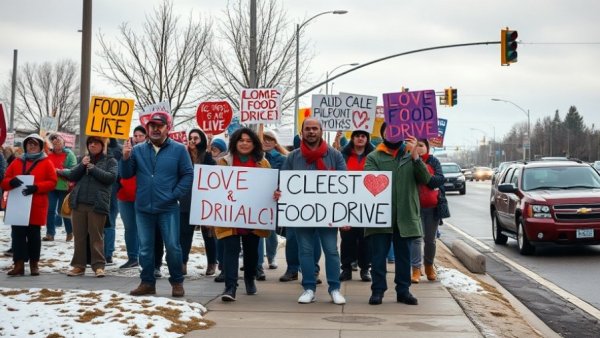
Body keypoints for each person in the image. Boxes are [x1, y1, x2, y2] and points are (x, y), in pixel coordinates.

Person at [121, 111, 193, 298]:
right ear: (147, 128)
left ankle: (177, 282)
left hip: (168, 207)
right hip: (143, 207)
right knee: (145, 247)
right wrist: (126, 158)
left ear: (167, 128)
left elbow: (188, 174)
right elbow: (126, 174)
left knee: (173, 246)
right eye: (152, 126)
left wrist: (174, 195)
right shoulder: (137, 150)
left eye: (159, 126)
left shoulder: (179, 150)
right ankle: (147, 282)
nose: (155, 129)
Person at [280, 118, 347, 305]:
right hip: (302, 213)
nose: (311, 132)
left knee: (332, 251)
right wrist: (280, 193)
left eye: (314, 128)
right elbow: (284, 182)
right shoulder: (293, 157)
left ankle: (335, 289)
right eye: (307, 129)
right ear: (302, 132)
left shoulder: (335, 155)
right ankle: (309, 288)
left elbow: (345, 186)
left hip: (328, 213)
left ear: (321, 131)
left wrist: (345, 214)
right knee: (306, 252)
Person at [364, 123, 431, 305]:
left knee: (404, 257)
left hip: (405, 215)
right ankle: (377, 290)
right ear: (383, 133)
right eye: (389, 130)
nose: (393, 133)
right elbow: (369, 181)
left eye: (396, 130)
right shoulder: (373, 156)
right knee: (378, 257)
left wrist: (415, 156)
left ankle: (403, 291)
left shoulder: (411, 155)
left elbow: (426, 179)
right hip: (380, 216)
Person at [215, 127, 274, 302]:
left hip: (252, 216)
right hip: (230, 216)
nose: (245, 143)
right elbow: (216, 188)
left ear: (254, 143)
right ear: (235, 142)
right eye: (241, 140)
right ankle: (230, 286)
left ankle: (250, 277)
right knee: (231, 250)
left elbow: (269, 187)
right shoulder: (224, 162)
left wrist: (274, 193)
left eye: (249, 141)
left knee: (251, 252)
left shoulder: (263, 163)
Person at [58, 136, 116, 278]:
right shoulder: (82, 159)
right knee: (79, 236)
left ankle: (98, 266)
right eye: (90, 143)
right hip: (79, 202)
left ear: (103, 145)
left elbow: (111, 178)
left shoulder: (110, 160)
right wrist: (82, 165)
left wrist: (94, 169)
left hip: (97, 203)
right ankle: (79, 266)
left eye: (96, 143)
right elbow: (72, 175)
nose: (92, 145)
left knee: (96, 236)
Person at [2, 134, 57, 276]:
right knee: (17, 236)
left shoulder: (46, 162)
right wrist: (10, 182)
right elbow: (5, 180)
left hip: (35, 205)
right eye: (29, 144)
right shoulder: (17, 162)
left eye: (35, 144)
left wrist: (37, 187)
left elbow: (52, 182)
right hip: (18, 206)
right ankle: (18, 265)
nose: (31, 146)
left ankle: (34, 265)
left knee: (34, 236)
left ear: (40, 146)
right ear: (25, 146)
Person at [180, 128, 217, 276]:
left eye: (196, 137)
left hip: (204, 200)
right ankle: (183, 263)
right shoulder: (183, 155)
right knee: (184, 233)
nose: (193, 140)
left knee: (208, 234)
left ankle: (212, 263)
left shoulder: (207, 156)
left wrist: (208, 147)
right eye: (191, 137)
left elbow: (212, 172)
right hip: (187, 200)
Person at [339, 130, 375, 282]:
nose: (360, 139)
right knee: (347, 237)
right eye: (357, 136)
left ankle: (365, 269)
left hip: (367, 202)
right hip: (346, 202)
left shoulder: (374, 156)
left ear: (367, 139)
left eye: (363, 136)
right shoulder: (343, 155)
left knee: (365, 239)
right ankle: (346, 269)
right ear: (352, 139)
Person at [410, 139, 446, 282]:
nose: (418, 148)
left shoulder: (433, 161)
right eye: (416, 145)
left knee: (430, 240)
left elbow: (438, 180)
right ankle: (416, 270)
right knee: (416, 240)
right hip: (414, 207)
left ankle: (429, 266)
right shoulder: (409, 161)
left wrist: (425, 177)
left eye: (421, 145)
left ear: (427, 147)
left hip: (432, 207)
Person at [255, 130, 288, 279]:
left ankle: (272, 256)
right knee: (257, 231)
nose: (266, 142)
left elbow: (284, 177)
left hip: (274, 198)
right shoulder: (255, 157)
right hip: (257, 198)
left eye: (270, 140)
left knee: (270, 231)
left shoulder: (282, 159)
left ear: (275, 143)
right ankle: (258, 262)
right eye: (264, 139)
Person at [117, 125, 147, 269]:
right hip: (124, 196)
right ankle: (132, 257)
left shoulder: (149, 151)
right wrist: (125, 155)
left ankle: (145, 257)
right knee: (129, 228)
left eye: (141, 135)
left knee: (143, 228)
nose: (138, 138)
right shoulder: (125, 150)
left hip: (141, 196)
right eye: (136, 135)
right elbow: (120, 170)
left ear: (146, 137)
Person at [44, 133, 77, 242]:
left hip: (64, 186)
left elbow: (73, 170)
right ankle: (50, 234)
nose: (56, 142)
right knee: (50, 210)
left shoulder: (69, 155)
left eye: (58, 140)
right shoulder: (48, 154)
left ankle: (70, 231)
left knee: (63, 211)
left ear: (63, 142)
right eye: (54, 141)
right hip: (51, 186)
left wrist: (59, 171)